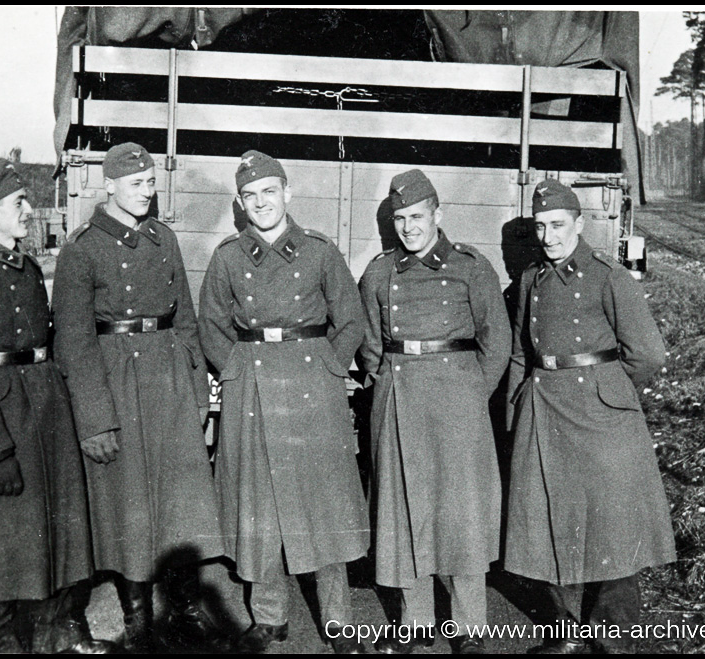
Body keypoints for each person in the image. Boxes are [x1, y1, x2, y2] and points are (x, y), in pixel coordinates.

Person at [0, 160, 114, 654]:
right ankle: (2, 643)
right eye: (19, 203)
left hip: (44, 411)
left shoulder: (25, 266)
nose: (30, 210)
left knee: (55, 527)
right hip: (0, 421)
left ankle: (60, 632)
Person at [51, 143, 224, 652]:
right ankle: (138, 619)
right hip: (117, 382)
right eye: (136, 184)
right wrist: (95, 420)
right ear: (110, 186)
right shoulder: (81, 249)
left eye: (150, 182)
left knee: (179, 499)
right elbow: (75, 343)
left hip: (168, 377)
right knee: (131, 505)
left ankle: (187, 609)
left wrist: (198, 395)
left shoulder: (163, 238)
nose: (147, 191)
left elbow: (186, 321)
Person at [198, 150, 369, 654]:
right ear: (240, 203)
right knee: (261, 506)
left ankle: (338, 621)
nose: (260, 203)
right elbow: (211, 324)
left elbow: (350, 319)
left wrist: (330, 366)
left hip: (312, 386)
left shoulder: (319, 250)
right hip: (251, 385)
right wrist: (235, 371)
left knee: (326, 503)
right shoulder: (228, 256)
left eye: (269, 192)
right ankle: (270, 618)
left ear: (287, 193)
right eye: (250, 196)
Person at [504, 179, 676, 654]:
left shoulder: (609, 277)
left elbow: (648, 354)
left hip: (601, 415)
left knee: (612, 524)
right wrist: (518, 406)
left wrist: (609, 394)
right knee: (549, 519)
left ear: (579, 224)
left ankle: (613, 636)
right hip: (545, 407)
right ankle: (564, 632)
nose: (548, 236)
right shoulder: (530, 282)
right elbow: (522, 351)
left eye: (558, 225)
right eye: (540, 226)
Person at [358, 169, 511, 655]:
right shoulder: (380, 273)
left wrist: (468, 395)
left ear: (437, 215)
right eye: (401, 219)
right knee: (404, 512)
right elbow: (369, 345)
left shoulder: (471, 267)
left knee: (462, 514)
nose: (409, 228)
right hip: (399, 402)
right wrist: (389, 386)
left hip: (458, 405)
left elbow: (497, 342)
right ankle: (416, 622)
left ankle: (469, 628)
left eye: (418, 216)